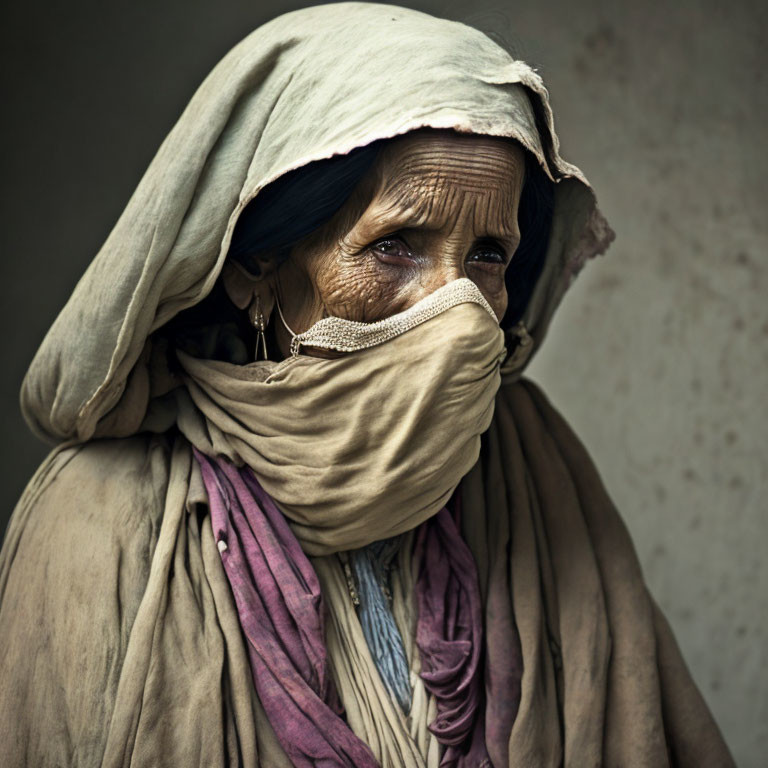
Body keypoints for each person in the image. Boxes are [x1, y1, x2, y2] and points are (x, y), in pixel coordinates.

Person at [0, 3, 735, 767]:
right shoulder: (103, 522)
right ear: (260, 268)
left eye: (488, 256)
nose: (455, 312)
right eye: (395, 247)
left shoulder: (532, 465)